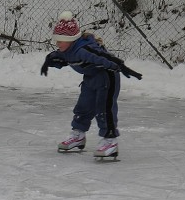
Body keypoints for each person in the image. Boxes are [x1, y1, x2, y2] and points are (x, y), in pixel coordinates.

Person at [41, 11, 142, 158]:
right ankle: (78, 135)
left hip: (108, 77)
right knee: (83, 106)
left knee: (104, 109)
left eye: (60, 40)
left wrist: (121, 66)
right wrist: (47, 62)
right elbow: (58, 56)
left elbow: (104, 57)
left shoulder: (84, 50)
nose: (57, 43)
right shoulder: (67, 50)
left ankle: (110, 141)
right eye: (57, 40)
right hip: (91, 78)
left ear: (71, 39)